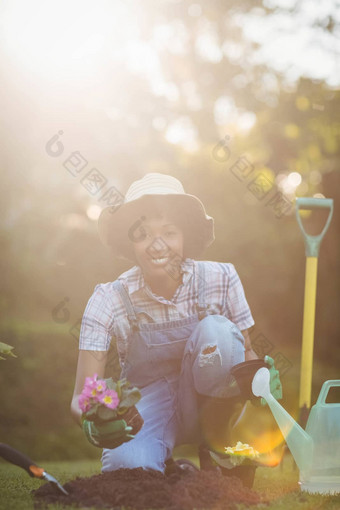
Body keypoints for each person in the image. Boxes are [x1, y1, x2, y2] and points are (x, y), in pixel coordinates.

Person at [70, 172, 281, 477]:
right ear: (130, 243)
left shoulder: (221, 278)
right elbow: (80, 396)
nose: (157, 245)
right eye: (142, 234)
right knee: (127, 472)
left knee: (217, 331)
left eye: (169, 232)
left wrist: (262, 385)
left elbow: (244, 353)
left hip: (213, 405)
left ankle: (220, 451)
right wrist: (90, 420)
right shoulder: (108, 299)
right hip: (147, 408)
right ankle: (162, 463)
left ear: (185, 236)